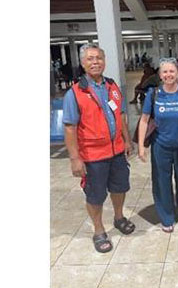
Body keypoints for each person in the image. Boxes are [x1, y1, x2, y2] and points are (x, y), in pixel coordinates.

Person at [62, 44, 135, 253]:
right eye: (90, 59)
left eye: (99, 58)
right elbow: (70, 128)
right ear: (83, 63)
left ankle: (119, 217)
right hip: (93, 155)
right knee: (95, 195)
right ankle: (99, 229)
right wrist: (75, 158)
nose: (95, 62)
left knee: (120, 187)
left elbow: (121, 115)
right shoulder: (75, 93)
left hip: (117, 151)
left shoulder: (112, 87)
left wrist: (127, 140)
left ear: (104, 61)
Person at [137, 57, 178, 233]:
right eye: (165, 71)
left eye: (172, 71)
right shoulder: (153, 94)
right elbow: (144, 120)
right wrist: (141, 146)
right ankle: (166, 216)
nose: (168, 74)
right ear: (160, 75)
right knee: (162, 181)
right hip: (161, 146)